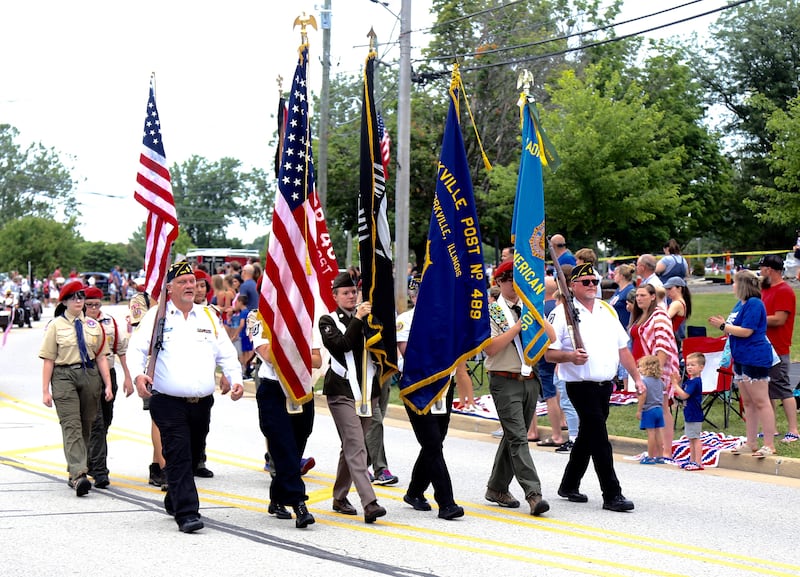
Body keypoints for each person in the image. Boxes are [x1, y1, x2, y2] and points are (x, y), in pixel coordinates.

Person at [128, 261, 244, 533]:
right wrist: (137, 375)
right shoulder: (157, 317)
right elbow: (135, 349)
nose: (190, 286)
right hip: (168, 401)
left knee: (191, 457)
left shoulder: (208, 316)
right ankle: (188, 513)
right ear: (169, 288)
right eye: (183, 282)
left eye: (192, 281)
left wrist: (236, 379)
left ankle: (174, 497)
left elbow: (225, 352)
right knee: (178, 455)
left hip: (201, 403)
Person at [546, 262, 645, 512]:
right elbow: (548, 354)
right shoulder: (561, 314)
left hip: (604, 386)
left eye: (595, 282)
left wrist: (637, 377)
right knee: (600, 438)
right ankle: (612, 494)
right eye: (586, 282)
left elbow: (623, 348)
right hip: (580, 386)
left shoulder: (606, 310)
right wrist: (570, 357)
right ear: (572, 286)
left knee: (588, 437)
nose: (592, 286)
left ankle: (568, 484)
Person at [484, 261, 552, 517]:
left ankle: (496, 487)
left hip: (530, 379)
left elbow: (551, 337)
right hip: (504, 380)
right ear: (499, 282)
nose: (514, 285)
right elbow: (490, 348)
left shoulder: (528, 307)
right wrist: (517, 326)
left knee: (513, 436)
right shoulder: (492, 312)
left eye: (518, 280)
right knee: (519, 438)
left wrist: (535, 315)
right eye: (509, 279)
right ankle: (534, 494)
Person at [319, 272, 387, 524]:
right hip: (341, 392)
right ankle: (369, 502)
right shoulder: (327, 320)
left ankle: (339, 497)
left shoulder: (368, 318)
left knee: (350, 447)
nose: (350, 296)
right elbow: (342, 345)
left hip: (369, 392)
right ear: (335, 296)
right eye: (344, 293)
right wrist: (358, 318)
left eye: (352, 292)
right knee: (358, 446)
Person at [396, 277, 464, 520]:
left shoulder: (446, 319)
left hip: (445, 385)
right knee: (432, 443)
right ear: (414, 296)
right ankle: (446, 502)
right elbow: (410, 354)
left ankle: (415, 491)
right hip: (418, 386)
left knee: (436, 441)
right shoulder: (405, 320)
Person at [39, 280, 114, 496]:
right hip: (64, 376)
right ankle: (79, 474)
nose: (79, 301)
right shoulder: (55, 326)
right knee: (71, 424)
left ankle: (75, 467)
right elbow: (48, 360)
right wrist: (45, 390)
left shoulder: (93, 325)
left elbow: (101, 356)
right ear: (64, 301)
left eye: (81, 297)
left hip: (89, 374)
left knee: (86, 424)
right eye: (74, 297)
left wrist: (108, 384)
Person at [251, 311, 317, 528]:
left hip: (301, 388)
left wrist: (296, 352)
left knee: (296, 444)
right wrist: (298, 351)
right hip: (274, 390)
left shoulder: (304, 315)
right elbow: (268, 354)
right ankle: (299, 504)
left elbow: (316, 359)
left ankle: (277, 497)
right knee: (284, 447)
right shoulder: (260, 318)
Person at [709, 270, 777, 458]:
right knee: (747, 402)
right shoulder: (741, 304)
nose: (732, 285)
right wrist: (726, 327)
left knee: (761, 401)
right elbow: (735, 329)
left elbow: (747, 331)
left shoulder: (755, 304)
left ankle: (769, 444)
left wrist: (723, 326)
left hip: (754, 357)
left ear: (743, 284)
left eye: (735, 282)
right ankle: (751, 442)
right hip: (740, 357)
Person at [84, 286, 134, 488]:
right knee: (96, 423)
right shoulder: (78, 323)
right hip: (88, 374)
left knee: (105, 421)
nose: (93, 308)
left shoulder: (111, 322)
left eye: (96, 304)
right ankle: (100, 471)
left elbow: (121, 350)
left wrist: (128, 377)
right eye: (89, 305)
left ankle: (90, 460)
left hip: (109, 374)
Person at [629, 283, 680, 457]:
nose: (639, 298)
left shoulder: (659, 316)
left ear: (653, 297)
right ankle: (656, 449)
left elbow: (663, 345)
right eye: (637, 296)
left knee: (662, 407)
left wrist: (655, 373)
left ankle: (666, 450)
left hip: (658, 370)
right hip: (644, 369)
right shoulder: (642, 315)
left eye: (643, 295)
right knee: (651, 408)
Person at [758, 254, 799, 443]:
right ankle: (771, 428)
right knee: (766, 389)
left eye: (762, 268)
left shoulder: (784, 291)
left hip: (778, 346)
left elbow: (780, 319)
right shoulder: (765, 290)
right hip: (763, 345)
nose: (760, 272)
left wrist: (756, 320)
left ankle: (793, 430)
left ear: (769, 269)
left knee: (782, 388)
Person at [532, 276, 566, 450]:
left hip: (545, 354)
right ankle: (562, 421)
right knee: (558, 389)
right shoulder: (561, 308)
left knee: (549, 395)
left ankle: (556, 434)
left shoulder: (540, 309)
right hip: (561, 353)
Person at [672, 352, 706, 471]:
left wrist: (675, 385)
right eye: (688, 365)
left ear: (701, 367)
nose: (689, 367)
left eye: (693, 365)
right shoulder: (689, 382)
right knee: (691, 437)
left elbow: (685, 395)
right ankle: (692, 460)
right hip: (689, 413)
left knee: (695, 438)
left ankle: (698, 462)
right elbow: (681, 395)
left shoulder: (696, 382)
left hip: (694, 414)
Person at [636, 355, 665, 464]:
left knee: (651, 434)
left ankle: (650, 456)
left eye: (640, 367)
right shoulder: (659, 380)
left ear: (647, 367)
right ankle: (660, 456)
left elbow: (643, 396)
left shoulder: (644, 382)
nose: (639, 369)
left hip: (649, 410)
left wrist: (639, 410)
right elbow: (664, 387)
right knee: (658, 433)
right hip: (659, 409)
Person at [663, 276, 692, 350]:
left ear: (679, 288)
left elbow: (663, 318)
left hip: (671, 337)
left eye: (670, 289)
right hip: (672, 337)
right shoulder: (680, 302)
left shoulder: (677, 304)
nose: (667, 292)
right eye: (666, 289)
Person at [608, 264, 635, 329]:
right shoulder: (618, 290)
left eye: (616, 274)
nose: (614, 276)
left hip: (625, 327)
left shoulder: (630, 290)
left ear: (621, 276)